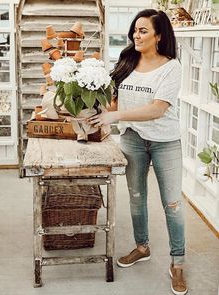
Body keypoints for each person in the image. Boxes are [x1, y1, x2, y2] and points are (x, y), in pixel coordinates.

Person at [87, 9, 187, 295]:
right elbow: (114, 105)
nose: (136, 35)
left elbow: (157, 109)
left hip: (165, 141)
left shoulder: (171, 67)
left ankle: (177, 263)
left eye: (143, 30)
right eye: (135, 30)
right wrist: (91, 102)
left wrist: (115, 118)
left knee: (173, 204)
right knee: (136, 198)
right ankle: (142, 247)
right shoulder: (127, 60)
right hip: (132, 139)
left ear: (158, 35)